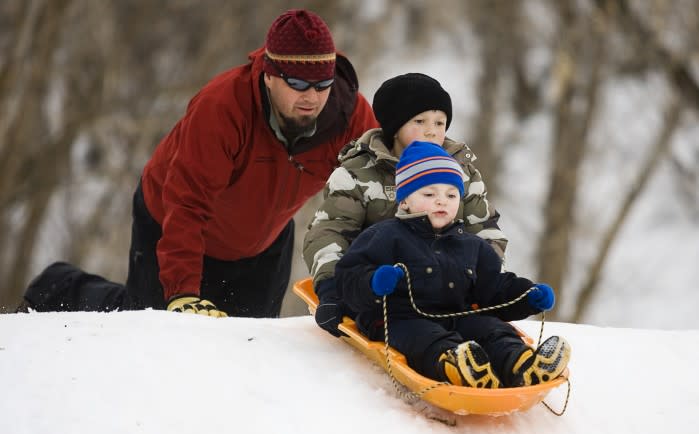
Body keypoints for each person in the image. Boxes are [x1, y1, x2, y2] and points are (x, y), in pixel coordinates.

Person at [17, 9, 378, 318]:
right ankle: (60, 286)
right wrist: (181, 291)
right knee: (151, 323)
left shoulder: (349, 117)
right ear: (269, 75)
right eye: (298, 83)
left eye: (322, 84)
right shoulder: (223, 107)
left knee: (249, 346)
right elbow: (187, 202)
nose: (312, 97)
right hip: (173, 218)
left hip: (261, 241)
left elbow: (382, 182)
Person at [334, 140, 571, 388]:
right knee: (427, 338)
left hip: (456, 317)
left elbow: (495, 288)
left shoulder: (471, 245)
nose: (441, 201)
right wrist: (373, 282)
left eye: (451, 194)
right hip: (399, 320)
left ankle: (522, 364)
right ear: (404, 200)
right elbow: (347, 278)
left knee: (490, 328)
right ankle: (457, 367)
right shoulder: (385, 236)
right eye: (429, 194)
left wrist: (527, 296)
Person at [303, 72, 507, 336]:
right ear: (394, 126)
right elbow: (330, 231)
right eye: (419, 121)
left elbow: (483, 229)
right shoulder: (358, 173)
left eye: (440, 122)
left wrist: (489, 283)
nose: (431, 130)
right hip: (381, 294)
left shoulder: (460, 174)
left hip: (448, 292)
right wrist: (332, 288)